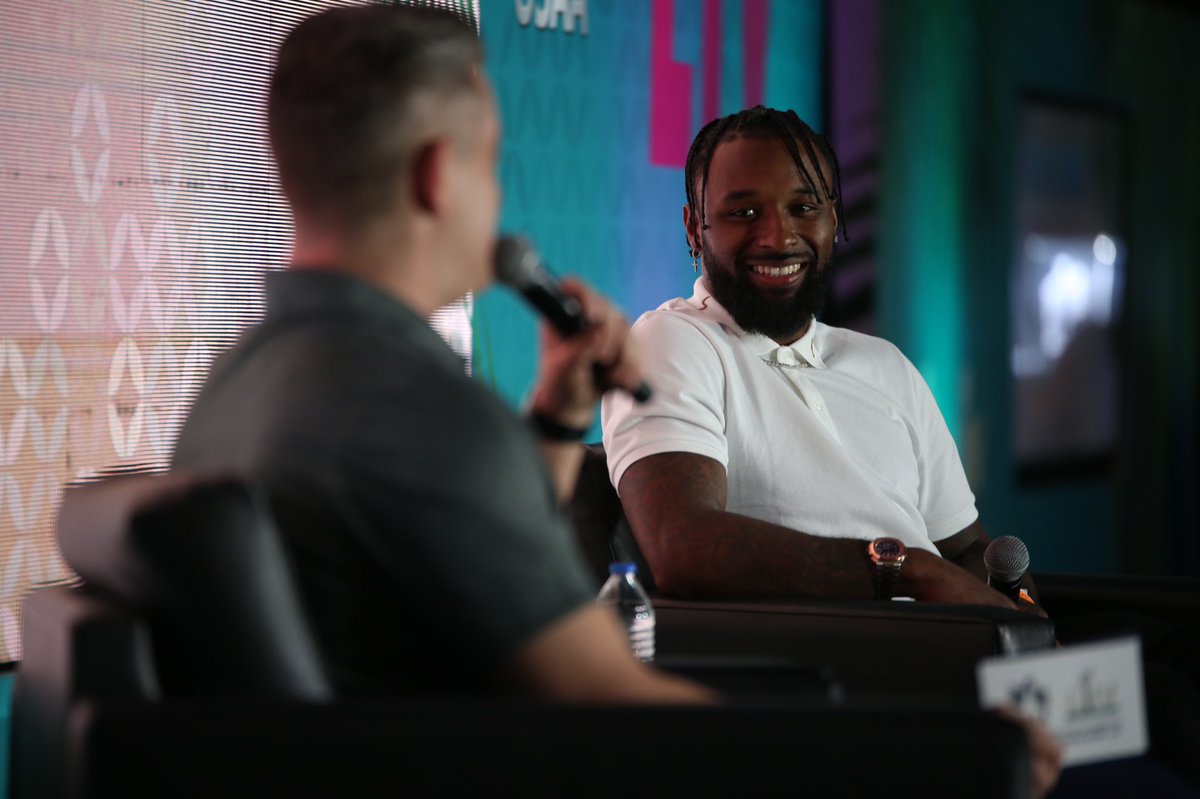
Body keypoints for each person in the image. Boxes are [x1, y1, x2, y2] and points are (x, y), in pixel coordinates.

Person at [171, 4, 705, 704]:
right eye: (489, 162)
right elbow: (611, 702)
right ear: (436, 175)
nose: (498, 195)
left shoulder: (234, 382)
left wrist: (557, 417)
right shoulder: (420, 414)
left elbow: (472, 550)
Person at [603, 105, 1021, 609]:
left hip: (953, 648)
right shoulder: (673, 342)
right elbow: (684, 548)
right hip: (825, 654)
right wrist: (907, 571)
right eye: (744, 213)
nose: (779, 238)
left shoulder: (885, 364)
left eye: (803, 208)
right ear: (694, 228)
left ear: (833, 218)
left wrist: (1018, 621)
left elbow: (966, 547)